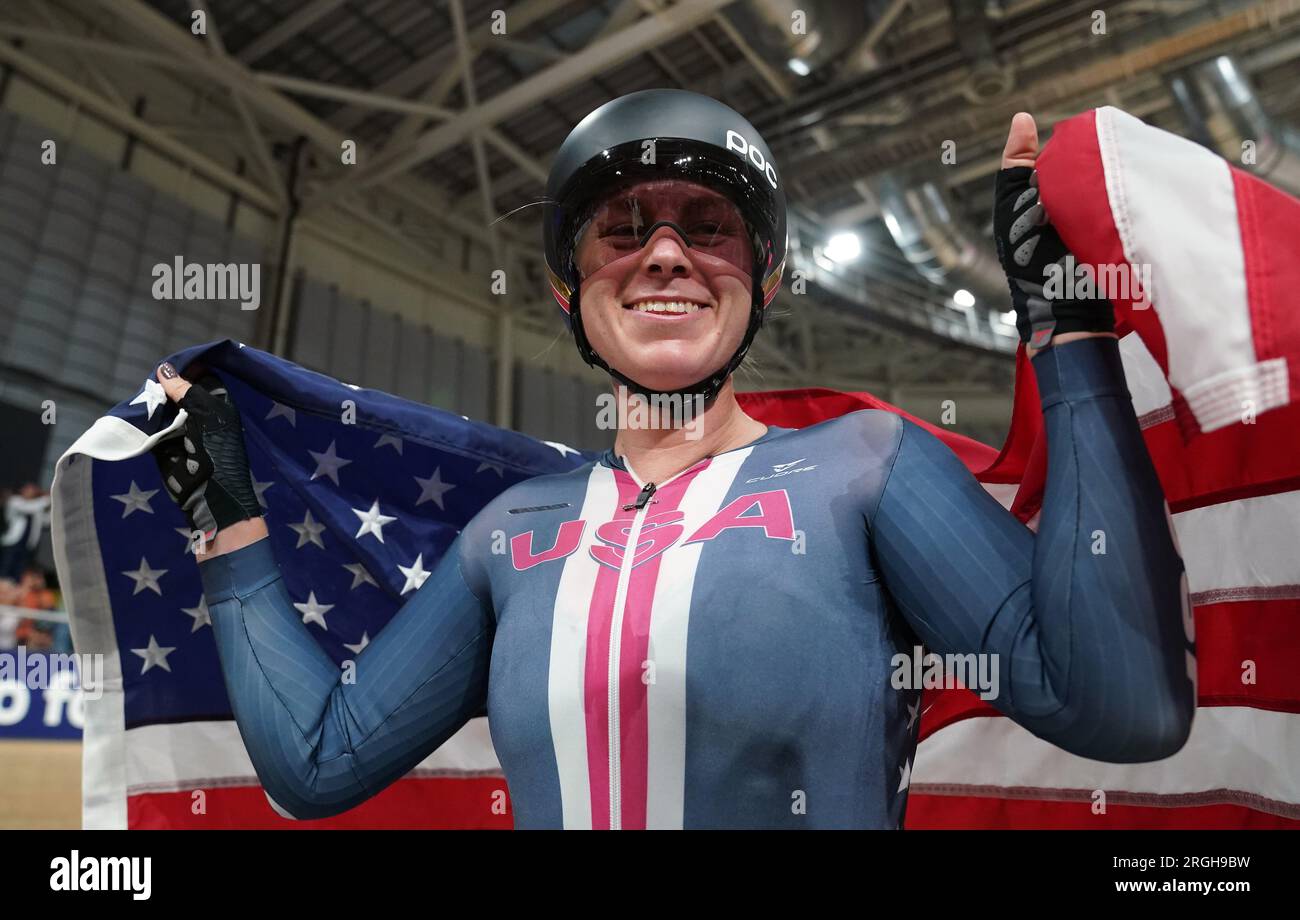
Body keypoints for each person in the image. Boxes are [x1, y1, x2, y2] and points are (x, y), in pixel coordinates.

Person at [151, 90, 1194, 829]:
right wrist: (224, 517)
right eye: (620, 227)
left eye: (708, 225)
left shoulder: (869, 467)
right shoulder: (508, 536)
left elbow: (1121, 702)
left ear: (766, 280)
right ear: (567, 289)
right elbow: (316, 762)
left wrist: (1070, 335)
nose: (663, 252)